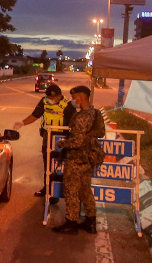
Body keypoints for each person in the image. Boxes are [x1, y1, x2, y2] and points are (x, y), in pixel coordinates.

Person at [52, 85, 106, 234]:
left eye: (74, 97)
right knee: (85, 190)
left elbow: (77, 142)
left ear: (81, 97)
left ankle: (71, 222)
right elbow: (100, 132)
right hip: (88, 158)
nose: (73, 100)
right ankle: (90, 221)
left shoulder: (82, 116)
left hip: (77, 158)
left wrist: (61, 143)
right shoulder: (95, 113)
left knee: (70, 190)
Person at [14, 83, 69, 197]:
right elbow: (35, 115)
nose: (50, 100)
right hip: (47, 136)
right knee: (47, 163)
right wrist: (22, 123)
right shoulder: (44, 102)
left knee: (60, 164)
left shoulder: (68, 104)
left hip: (62, 137)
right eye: (49, 97)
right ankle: (47, 189)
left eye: (53, 98)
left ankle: (58, 191)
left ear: (60, 96)